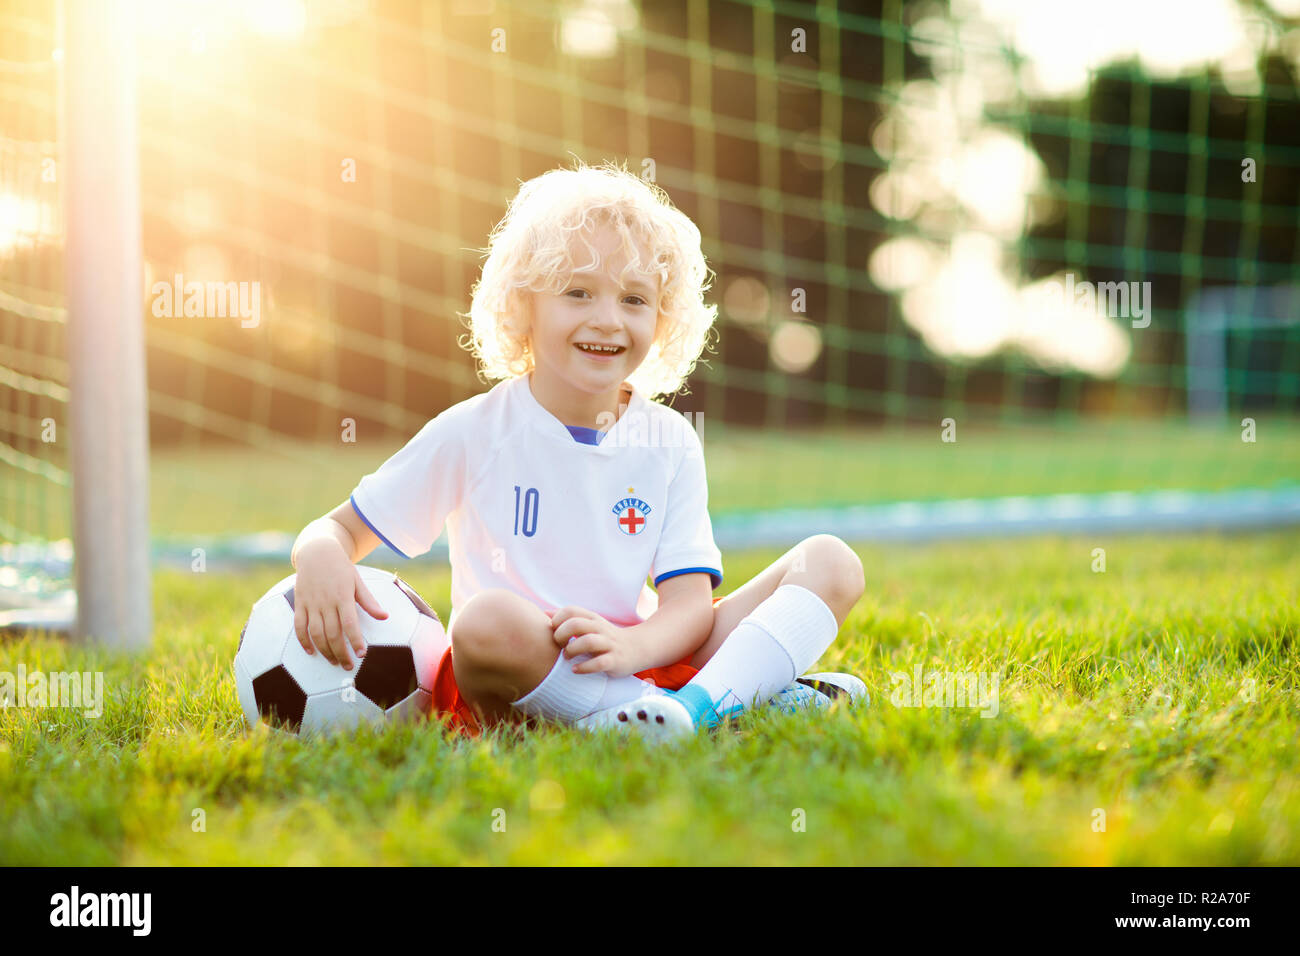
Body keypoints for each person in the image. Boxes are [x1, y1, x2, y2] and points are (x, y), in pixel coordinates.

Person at [289, 161, 867, 739]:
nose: (608, 320)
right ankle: (722, 700)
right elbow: (339, 530)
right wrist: (318, 554)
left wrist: (630, 644)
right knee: (483, 621)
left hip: (644, 652)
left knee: (831, 561)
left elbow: (688, 608)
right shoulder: (474, 430)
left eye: (635, 300)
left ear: (664, 320)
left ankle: (688, 713)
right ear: (524, 305)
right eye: (578, 292)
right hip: (516, 667)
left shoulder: (669, 439)